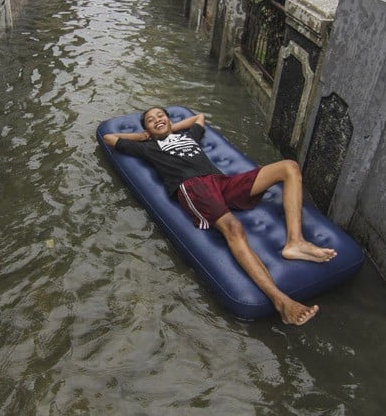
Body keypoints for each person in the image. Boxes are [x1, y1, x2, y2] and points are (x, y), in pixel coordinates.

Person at [103, 107, 337, 326]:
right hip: (192, 187)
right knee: (234, 228)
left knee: (289, 167)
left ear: (169, 119)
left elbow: (199, 117)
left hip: (222, 181)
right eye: (150, 121)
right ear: (147, 129)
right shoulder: (148, 147)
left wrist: (171, 128)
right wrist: (143, 136)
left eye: (160, 116)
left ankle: (295, 242)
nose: (157, 120)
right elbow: (109, 138)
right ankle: (281, 301)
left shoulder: (189, 136)